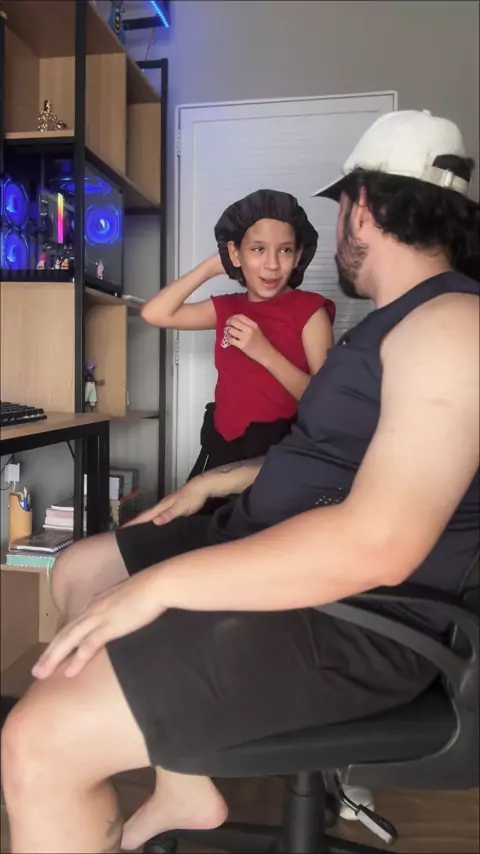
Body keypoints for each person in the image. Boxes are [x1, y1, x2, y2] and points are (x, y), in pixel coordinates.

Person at [2, 110, 479, 854]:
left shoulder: (451, 325)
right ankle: (184, 782)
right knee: (82, 570)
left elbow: (381, 542)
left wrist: (162, 587)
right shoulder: (393, 322)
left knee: (38, 741)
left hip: (356, 612)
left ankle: (86, 747)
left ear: (362, 207)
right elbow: (358, 457)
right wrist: (225, 477)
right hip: (271, 532)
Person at [142, 189, 335, 481]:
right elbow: (154, 314)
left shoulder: (310, 311)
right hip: (222, 453)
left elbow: (326, 403)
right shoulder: (226, 307)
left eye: (285, 250)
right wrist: (210, 268)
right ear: (236, 253)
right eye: (258, 249)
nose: (272, 264)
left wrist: (265, 353)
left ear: (298, 256)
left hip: (279, 459)